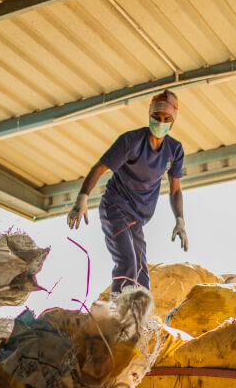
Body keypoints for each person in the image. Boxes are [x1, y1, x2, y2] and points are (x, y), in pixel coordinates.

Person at [67, 89, 187, 295]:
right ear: (149, 114)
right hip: (115, 208)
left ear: (173, 120)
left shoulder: (174, 150)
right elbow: (99, 168)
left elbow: (175, 190)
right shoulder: (131, 141)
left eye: (166, 118)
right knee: (128, 263)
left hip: (137, 218)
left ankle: (142, 314)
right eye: (156, 117)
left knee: (141, 274)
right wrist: (82, 198)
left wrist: (180, 220)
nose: (160, 122)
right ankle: (118, 310)